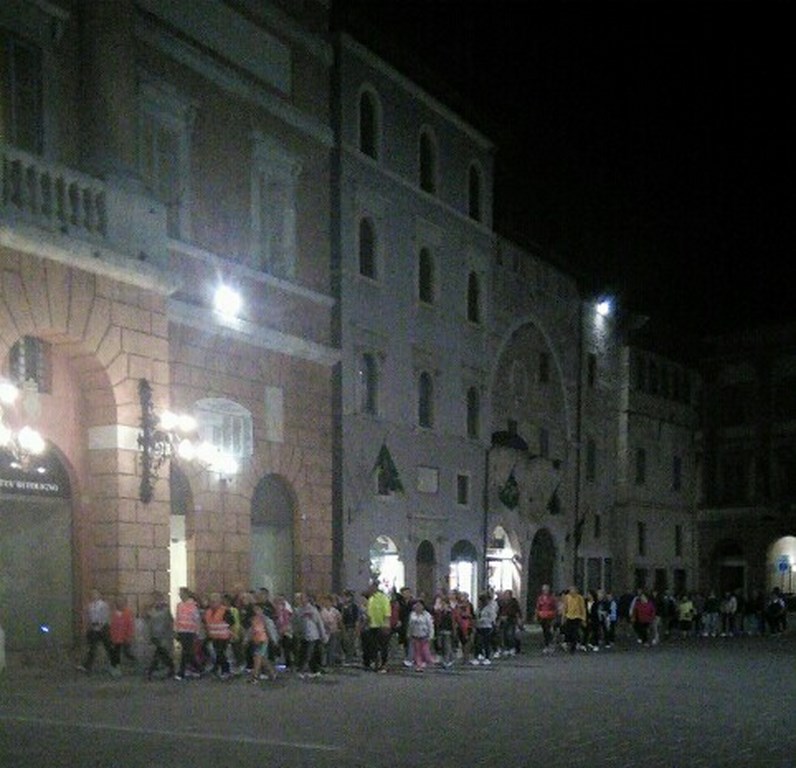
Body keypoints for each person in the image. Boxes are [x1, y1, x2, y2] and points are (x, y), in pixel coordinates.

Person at [76, 588, 113, 674]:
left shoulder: (103, 605)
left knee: (108, 647)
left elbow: (106, 616)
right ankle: (87, 666)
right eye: (92, 594)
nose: (93, 595)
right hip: (93, 628)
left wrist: (101, 624)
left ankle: (114, 664)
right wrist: (89, 626)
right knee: (92, 648)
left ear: (99, 595)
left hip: (103, 628)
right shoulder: (90, 606)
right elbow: (89, 617)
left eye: (95, 593)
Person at [295, 592, 327, 678]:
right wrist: (297, 632)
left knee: (308, 653)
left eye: (303, 598)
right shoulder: (299, 610)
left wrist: (323, 635)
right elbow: (297, 623)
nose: (301, 600)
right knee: (306, 653)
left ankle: (302, 670)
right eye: (300, 598)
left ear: (307, 599)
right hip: (303, 635)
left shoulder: (312, 610)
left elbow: (319, 623)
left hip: (313, 636)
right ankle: (315, 670)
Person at [146, 590, 175, 681]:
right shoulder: (152, 609)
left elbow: (169, 622)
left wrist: (169, 635)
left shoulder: (165, 609)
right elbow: (150, 622)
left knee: (160, 653)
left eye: (155, 598)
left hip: (163, 635)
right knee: (161, 653)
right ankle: (170, 669)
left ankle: (151, 671)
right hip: (155, 635)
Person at [363, 583, 392, 673]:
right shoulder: (371, 599)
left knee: (383, 646)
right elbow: (369, 613)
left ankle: (384, 664)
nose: (369, 590)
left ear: (375, 588)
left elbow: (387, 612)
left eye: (371, 588)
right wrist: (367, 624)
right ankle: (376, 663)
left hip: (382, 625)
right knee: (373, 646)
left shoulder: (383, 598)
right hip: (373, 626)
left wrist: (386, 625)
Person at [204, 592, 233, 679]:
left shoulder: (225, 611)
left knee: (220, 653)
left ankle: (225, 670)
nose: (212, 603)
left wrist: (233, 634)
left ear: (219, 602)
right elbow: (206, 623)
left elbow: (232, 623)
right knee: (217, 653)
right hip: (213, 636)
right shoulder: (208, 612)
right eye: (211, 601)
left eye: (214, 601)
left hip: (224, 636)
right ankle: (217, 668)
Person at [174, 587, 201, 679]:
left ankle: (181, 672)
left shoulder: (193, 605)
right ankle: (197, 668)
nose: (180, 595)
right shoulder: (179, 605)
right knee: (188, 652)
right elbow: (177, 618)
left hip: (190, 631)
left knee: (186, 652)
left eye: (181, 593)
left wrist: (197, 632)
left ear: (186, 594)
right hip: (182, 631)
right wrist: (176, 630)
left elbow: (196, 619)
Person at [247, 603, 277, 683]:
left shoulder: (266, 620)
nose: (256, 611)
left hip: (263, 641)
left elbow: (271, 630)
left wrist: (274, 640)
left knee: (257, 657)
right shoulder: (254, 619)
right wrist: (247, 639)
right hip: (256, 640)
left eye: (258, 609)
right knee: (262, 659)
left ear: (262, 610)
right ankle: (272, 673)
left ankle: (255, 676)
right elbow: (251, 630)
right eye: (255, 609)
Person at [108, 595, 136, 677]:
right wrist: (111, 636)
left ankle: (134, 664)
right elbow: (111, 626)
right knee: (116, 653)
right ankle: (116, 667)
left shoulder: (128, 613)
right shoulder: (113, 613)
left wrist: (129, 636)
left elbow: (130, 625)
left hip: (125, 637)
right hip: (115, 638)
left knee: (127, 653)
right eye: (118, 601)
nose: (119, 603)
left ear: (125, 602)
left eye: (121, 601)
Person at [407, 599, 435, 672]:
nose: (418, 607)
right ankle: (419, 665)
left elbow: (430, 626)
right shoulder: (412, 614)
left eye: (419, 605)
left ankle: (427, 661)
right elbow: (410, 625)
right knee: (417, 651)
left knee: (425, 651)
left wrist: (431, 635)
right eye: (416, 605)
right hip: (415, 635)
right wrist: (409, 633)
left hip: (424, 635)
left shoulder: (427, 615)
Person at [562, 585, 587, 654]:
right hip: (569, 616)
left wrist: (583, 619)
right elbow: (565, 607)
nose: (572, 592)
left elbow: (583, 608)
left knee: (575, 632)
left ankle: (573, 647)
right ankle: (570, 643)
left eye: (573, 591)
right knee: (568, 631)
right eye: (571, 591)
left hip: (577, 617)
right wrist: (563, 617)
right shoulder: (567, 597)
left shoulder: (580, 598)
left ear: (576, 591)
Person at [534, 584, 558, 654]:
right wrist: (536, 615)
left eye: (546, 589)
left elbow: (555, 607)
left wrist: (554, 616)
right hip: (542, 616)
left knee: (548, 630)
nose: (545, 591)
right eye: (544, 589)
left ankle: (550, 644)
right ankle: (546, 645)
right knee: (545, 631)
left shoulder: (552, 598)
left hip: (550, 616)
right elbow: (538, 607)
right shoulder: (540, 598)